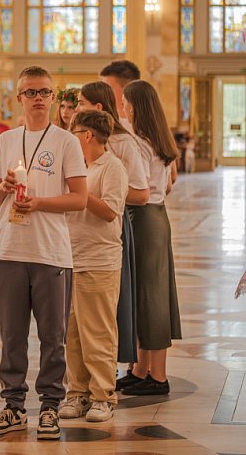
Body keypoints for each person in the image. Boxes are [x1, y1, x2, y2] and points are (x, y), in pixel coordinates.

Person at [0, 66, 87, 441]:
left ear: (54, 97)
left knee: (52, 336)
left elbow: (79, 197)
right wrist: (6, 186)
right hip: (8, 250)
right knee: (11, 336)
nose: (38, 97)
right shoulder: (7, 140)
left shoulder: (66, 142)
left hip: (51, 253)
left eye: (45, 91)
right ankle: (13, 406)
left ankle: (49, 406)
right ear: (19, 98)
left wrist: (39, 202)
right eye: (31, 92)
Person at [60, 110, 128, 423]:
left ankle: (103, 395)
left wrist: (79, 193)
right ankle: (76, 393)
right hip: (69, 257)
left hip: (99, 260)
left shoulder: (111, 167)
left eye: (74, 133)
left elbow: (110, 212)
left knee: (97, 332)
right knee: (72, 334)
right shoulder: (76, 167)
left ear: (87, 135)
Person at [76, 81, 149, 366]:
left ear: (97, 108)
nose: (76, 108)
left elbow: (141, 193)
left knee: (108, 308)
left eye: (81, 103)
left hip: (112, 227)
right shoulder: (79, 144)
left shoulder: (121, 143)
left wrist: (102, 192)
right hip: (82, 236)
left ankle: (106, 374)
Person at [117, 80, 181, 396]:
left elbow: (139, 189)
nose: (123, 108)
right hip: (156, 216)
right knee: (145, 294)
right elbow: (168, 183)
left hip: (144, 217)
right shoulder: (157, 138)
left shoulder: (140, 142)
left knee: (151, 297)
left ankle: (158, 376)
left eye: (126, 103)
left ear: (135, 106)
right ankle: (142, 369)